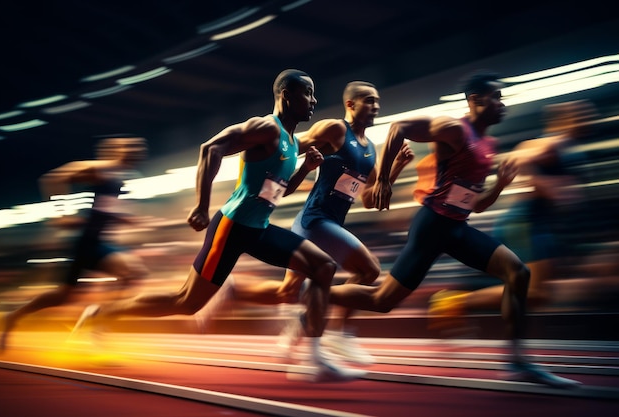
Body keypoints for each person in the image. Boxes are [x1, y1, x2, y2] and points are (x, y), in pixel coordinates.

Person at [71, 69, 365, 382]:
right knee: (185, 303)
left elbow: (276, 193)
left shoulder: (293, 143)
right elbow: (210, 148)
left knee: (322, 267)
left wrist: (305, 168)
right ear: (287, 96)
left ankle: (315, 358)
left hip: (259, 229)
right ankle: (100, 314)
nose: (314, 101)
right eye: (308, 93)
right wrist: (201, 205)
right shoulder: (266, 127)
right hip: (231, 227)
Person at [326, 71, 581, 388]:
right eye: (496, 97)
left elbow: (476, 206)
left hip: (458, 227)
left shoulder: (488, 144)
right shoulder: (454, 129)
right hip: (432, 226)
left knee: (518, 272)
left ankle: (518, 360)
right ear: (476, 100)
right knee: (382, 301)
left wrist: (500, 186)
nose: (502, 104)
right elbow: (398, 127)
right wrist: (382, 180)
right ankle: (315, 292)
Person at [227, 81, 414, 364]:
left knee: (285, 292)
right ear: (350, 104)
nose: (375, 106)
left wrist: (396, 167)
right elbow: (289, 148)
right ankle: (339, 334)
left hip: (328, 224)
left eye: (377, 101)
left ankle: (236, 290)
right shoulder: (335, 129)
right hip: (315, 221)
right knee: (368, 271)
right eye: (368, 100)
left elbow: (370, 200)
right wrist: (263, 184)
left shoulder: (370, 149)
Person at [429, 99, 598, 319]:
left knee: (539, 294)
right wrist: (546, 186)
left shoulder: (563, 146)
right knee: (534, 291)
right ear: (567, 119)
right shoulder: (553, 143)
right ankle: (453, 301)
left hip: (538, 225)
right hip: (525, 223)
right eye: (583, 115)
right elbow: (516, 158)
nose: (590, 119)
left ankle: (502, 332)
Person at [0, 135, 150, 352]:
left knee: (133, 273)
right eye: (131, 145)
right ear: (117, 149)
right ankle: (13, 315)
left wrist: (125, 218)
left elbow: (102, 208)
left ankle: (98, 318)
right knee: (63, 296)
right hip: (86, 243)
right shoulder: (99, 168)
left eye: (139, 147)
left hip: (99, 243)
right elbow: (53, 178)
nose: (138, 149)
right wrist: (61, 214)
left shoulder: (119, 177)